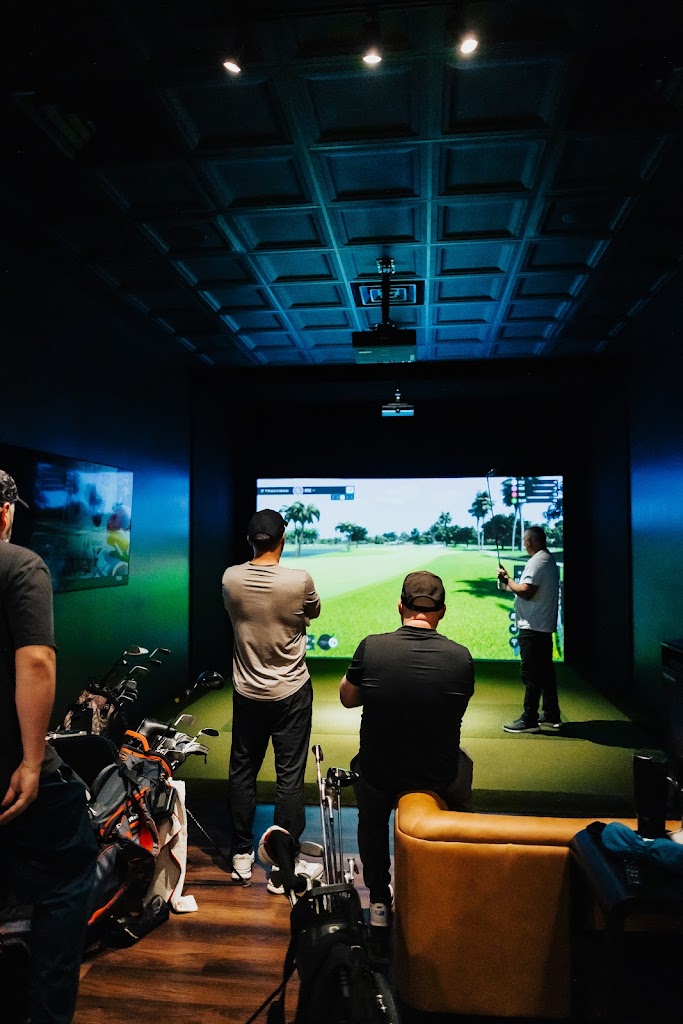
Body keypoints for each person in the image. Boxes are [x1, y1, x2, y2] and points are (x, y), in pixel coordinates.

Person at [0, 470, 98, 1024]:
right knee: (69, 868)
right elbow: (36, 661)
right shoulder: (19, 564)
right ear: (6, 513)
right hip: (11, 774)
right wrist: (33, 762)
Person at [339, 570, 475, 945]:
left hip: (380, 771)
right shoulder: (461, 658)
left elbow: (347, 698)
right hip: (437, 775)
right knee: (463, 780)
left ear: (400, 605)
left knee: (370, 814)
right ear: (442, 611)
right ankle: (443, 890)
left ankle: (379, 901)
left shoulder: (372, 647)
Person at [222, 509, 323, 894]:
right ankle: (283, 867)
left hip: (247, 692)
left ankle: (241, 857)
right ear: (282, 539)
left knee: (242, 774)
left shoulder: (230, 578)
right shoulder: (299, 580)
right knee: (289, 779)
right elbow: (313, 610)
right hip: (291, 692)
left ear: (250, 540)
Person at [497, 525, 562, 733]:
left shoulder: (537, 562)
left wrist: (508, 580)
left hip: (533, 627)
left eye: (525, 540)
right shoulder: (547, 559)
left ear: (531, 541)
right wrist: (507, 583)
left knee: (532, 674)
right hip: (541, 626)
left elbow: (525, 592)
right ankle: (551, 714)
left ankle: (529, 719)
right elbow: (523, 590)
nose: (524, 543)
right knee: (545, 672)